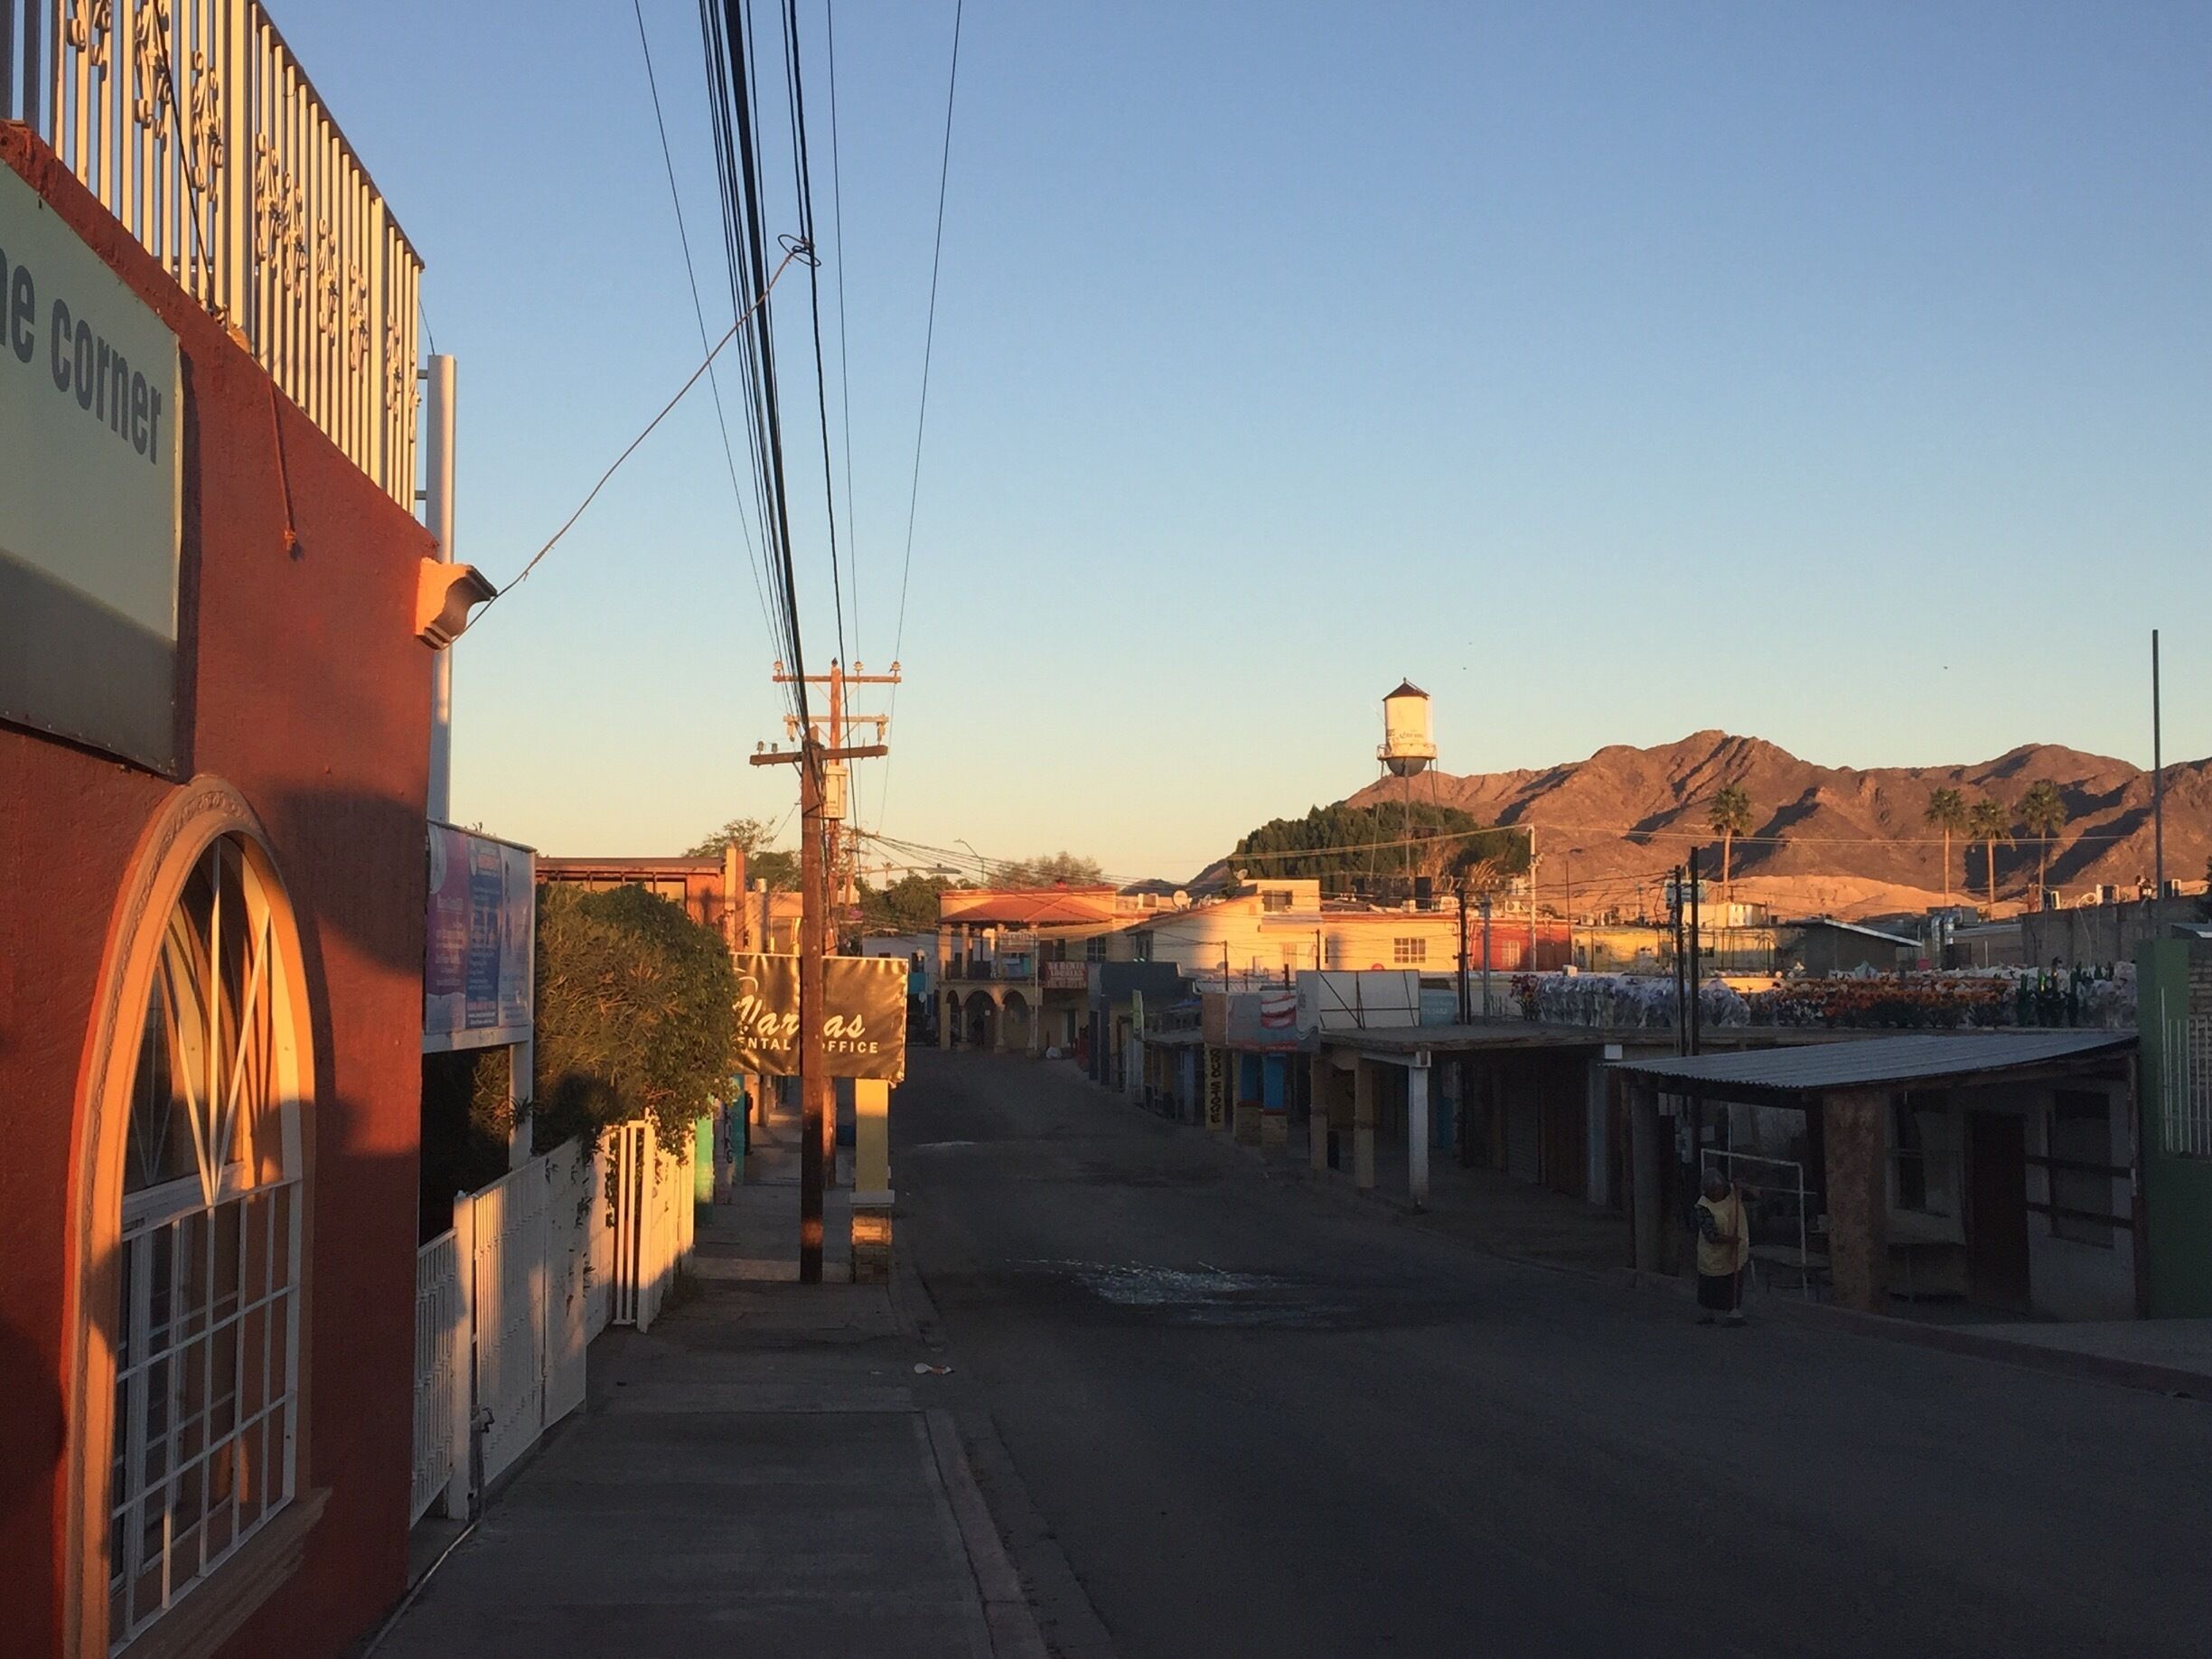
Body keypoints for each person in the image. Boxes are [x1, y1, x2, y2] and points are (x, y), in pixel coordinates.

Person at [1694, 1168, 1751, 1325]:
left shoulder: (1733, 1193)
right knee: (1709, 1282)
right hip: (1713, 1251)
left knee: (1732, 1280)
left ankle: (1733, 1312)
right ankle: (1708, 1312)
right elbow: (1711, 1235)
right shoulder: (1703, 1206)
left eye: (1717, 1189)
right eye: (1711, 1191)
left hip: (1734, 1247)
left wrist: (1743, 1186)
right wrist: (1730, 1240)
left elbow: (1756, 1195)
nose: (1714, 1194)